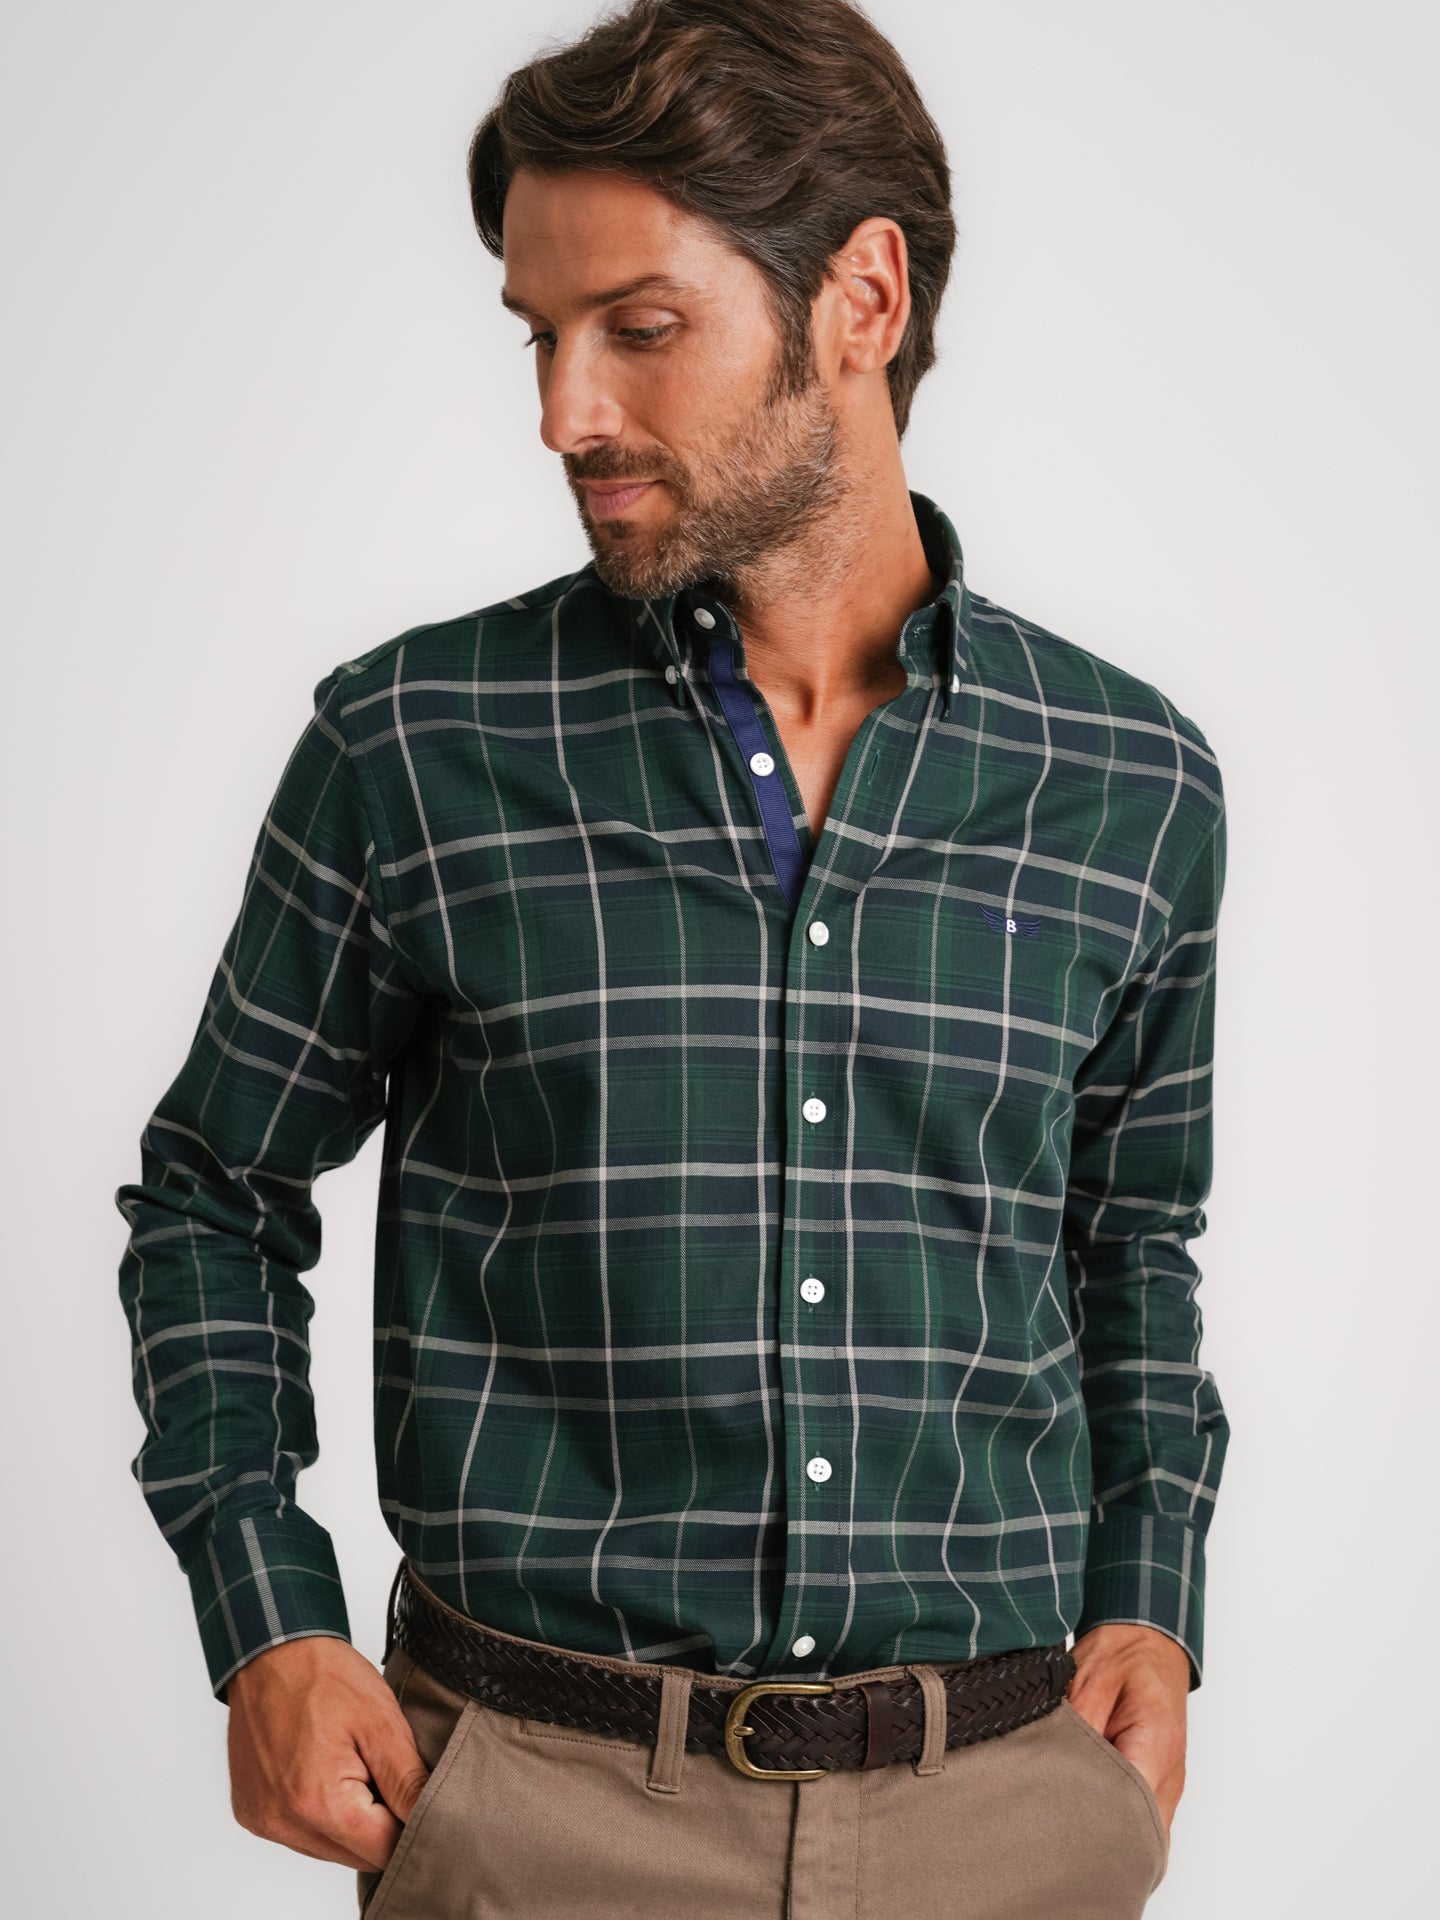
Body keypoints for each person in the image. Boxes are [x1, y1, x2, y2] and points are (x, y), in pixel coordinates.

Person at [114, 2, 1230, 1914]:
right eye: (538, 337)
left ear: (862, 299)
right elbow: (215, 1189)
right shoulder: (418, 745)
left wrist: (1154, 1600)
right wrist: (267, 1617)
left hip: (1001, 1811)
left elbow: (1131, 1242)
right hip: (535, 1810)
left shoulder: (1129, 781)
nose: (566, 414)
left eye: (638, 328)